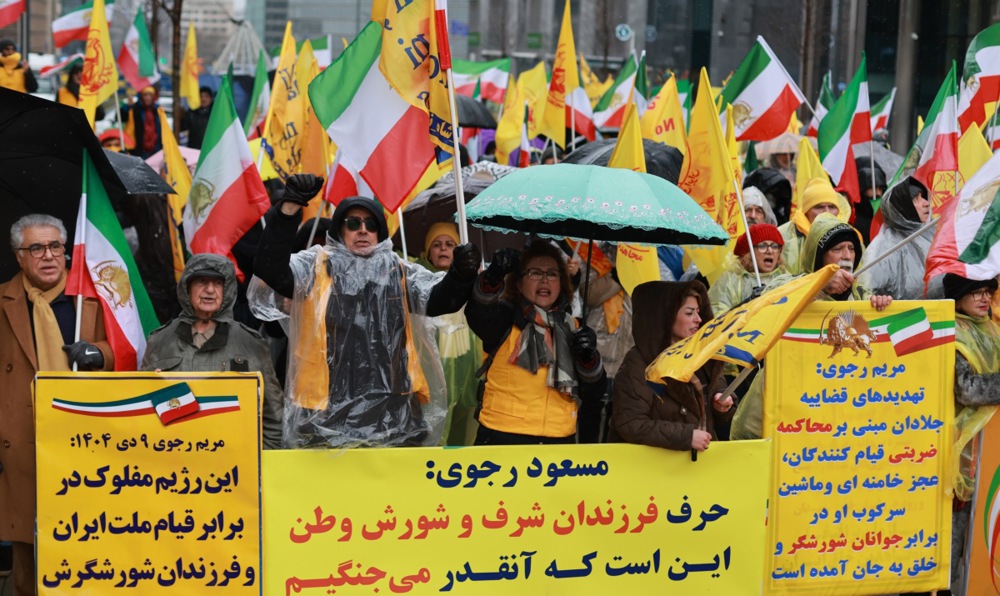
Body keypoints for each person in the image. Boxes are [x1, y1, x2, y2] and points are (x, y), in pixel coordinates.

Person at [250, 174, 482, 448]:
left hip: (395, 412)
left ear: (379, 232)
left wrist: (461, 274)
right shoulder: (316, 267)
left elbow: (443, 300)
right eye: (353, 223)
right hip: (326, 412)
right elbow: (270, 268)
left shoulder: (399, 271)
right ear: (340, 231)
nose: (362, 229)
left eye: (370, 224)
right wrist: (289, 208)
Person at [0, 214, 114, 596]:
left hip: (84, 441)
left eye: (55, 247)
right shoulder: (3, 302)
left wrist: (99, 354)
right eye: (36, 248)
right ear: (19, 256)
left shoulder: (92, 297)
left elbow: (129, 347)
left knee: (88, 540)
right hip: (22, 445)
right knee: (29, 550)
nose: (48, 256)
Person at [730, 213, 892, 441]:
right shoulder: (789, 283)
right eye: (838, 249)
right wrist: (818, 286)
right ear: (819, 255)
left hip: (839, 404)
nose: (847, 256)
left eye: (851, 248)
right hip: (790, 399)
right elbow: (768, 305)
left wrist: (882, 308)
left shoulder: (863, 298)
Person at [466, 242, 606, 445]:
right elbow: (478, 314)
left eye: (552, 274)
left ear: (562, 282)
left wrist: (588, 359)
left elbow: (594, 392)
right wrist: (493, 276)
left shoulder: (575, 328)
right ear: (519, 283)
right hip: (502, 436)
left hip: (558, 440)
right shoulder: (504, 317)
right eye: (535, 273)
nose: (544, 280)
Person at [140, 254, 283, 448]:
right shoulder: (159, 341)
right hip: (173, 461)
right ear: (187, 288)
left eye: (217, 283)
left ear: (228, 290)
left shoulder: (251, 344)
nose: (210, 290)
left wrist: (260, 465)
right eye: (201, 281)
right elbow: (142, 410)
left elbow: (273, 418)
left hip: (233, 468)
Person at [610, 281, 733, 452]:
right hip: (653, 471)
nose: (698, 319)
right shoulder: (638, 363)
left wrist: (723, 403)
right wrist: (686, 436)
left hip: (699, 467)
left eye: (698, 312)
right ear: (665, 317)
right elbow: (631, 424)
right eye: (689, 313)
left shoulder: (704, 355)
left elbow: (720, 406)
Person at [943, 273, 1000, 594]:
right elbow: (967, 390)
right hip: (960, 448)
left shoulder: (993, 330)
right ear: (959, 295)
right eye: (976, 292)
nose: (984, 298)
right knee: (954, 542)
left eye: (988, 292)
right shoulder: (951, 332)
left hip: (992, 449)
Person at [416, 222, 483, 445]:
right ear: (428, 251)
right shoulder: (419, 281)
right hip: (432, 371)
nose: (443, 249)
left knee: (463, 433)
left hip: (467, 371)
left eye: (450, 244)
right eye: (437, 245)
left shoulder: (473, 281)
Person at [579, 243, 633, 443]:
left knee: (618, 414)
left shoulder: (642, 259)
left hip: (627, 351)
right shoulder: (595, 254)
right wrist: (617, 276)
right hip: (598, 350)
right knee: (592, 410)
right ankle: (587, 461)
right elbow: (589, 295)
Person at [856, 177, 932, 300]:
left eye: (923, 197)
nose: (926, 203)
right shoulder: (883, 248)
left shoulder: (932, 235)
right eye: (916, 199)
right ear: (903, 206)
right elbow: (866, 291)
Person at [777, 177, 851, 275]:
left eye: (832, 207)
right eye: (819, 207)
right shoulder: (782, 236)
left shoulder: (850, 235)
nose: (827, 212)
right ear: (806, 211)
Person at [709, 223, 786, 316]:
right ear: (748, 253)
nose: (769, 251)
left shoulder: (786, 279)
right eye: (762, 246)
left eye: (774, 246)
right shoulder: (729, 280)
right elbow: (716, 319)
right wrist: (747, 303)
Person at [853, 157, 887, 245]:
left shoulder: (887, 216)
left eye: (881, 188)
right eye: (873, 187)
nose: (878, 193)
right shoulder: (849, 217)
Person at [125, 86, 165, 159]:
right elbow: (123, 117)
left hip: (156, 149)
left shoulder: (158, 111)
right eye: (145, 95)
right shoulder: (135, 110)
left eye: (150, 95)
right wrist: (127, 106)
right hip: (140, 150)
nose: (148, 98)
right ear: (142, 97)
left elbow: (163, 130)